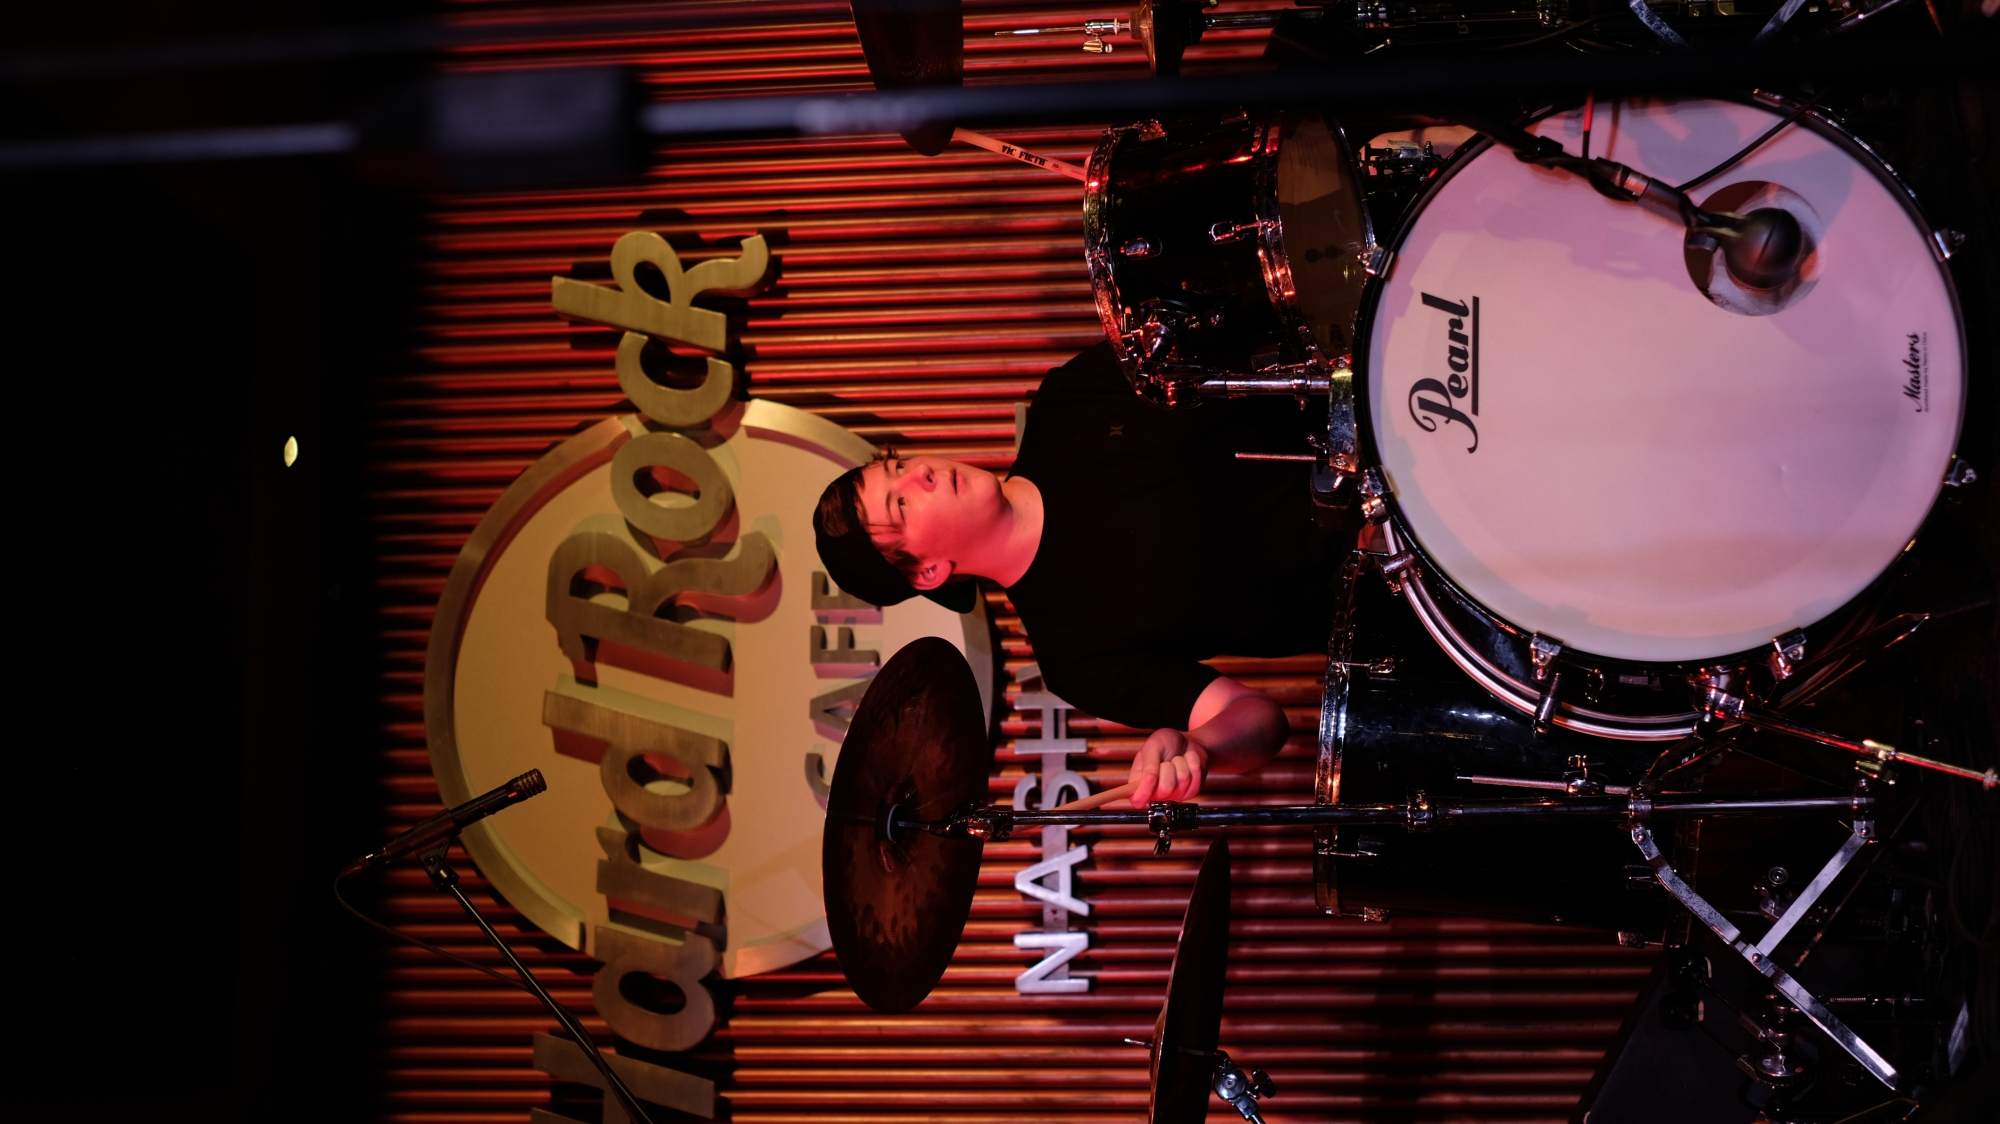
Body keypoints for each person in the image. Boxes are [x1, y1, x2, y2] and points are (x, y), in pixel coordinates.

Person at [814, 341, 1345, 807]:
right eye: (901, 504)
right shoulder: (1075, 659)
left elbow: (1239, 347)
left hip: (1370, 414)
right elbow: (1258, 718)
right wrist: (1201, 746)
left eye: (899, 466)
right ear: (929, 571)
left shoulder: (1067, 401)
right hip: (1384, 576)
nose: (922, 472)